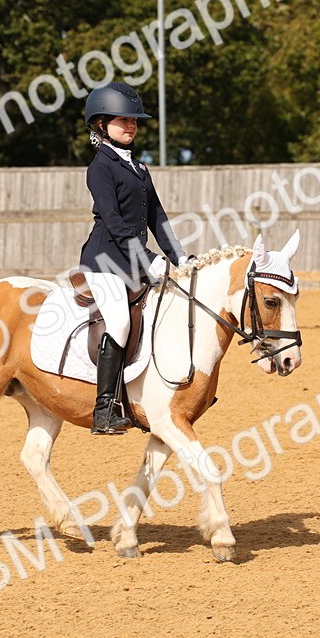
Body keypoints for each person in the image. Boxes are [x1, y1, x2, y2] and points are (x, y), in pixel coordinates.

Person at [78, 82, 186, 434]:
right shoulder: (100, 167)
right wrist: (148, 259)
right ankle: (104, 409)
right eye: (122, 121)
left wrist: (179, 257)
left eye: (134, 121)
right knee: (120, 324)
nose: (130, 126)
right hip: (105, 262)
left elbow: (158, 218)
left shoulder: (140, 169)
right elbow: (113, 221)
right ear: (101, 125)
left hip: (135, 261)